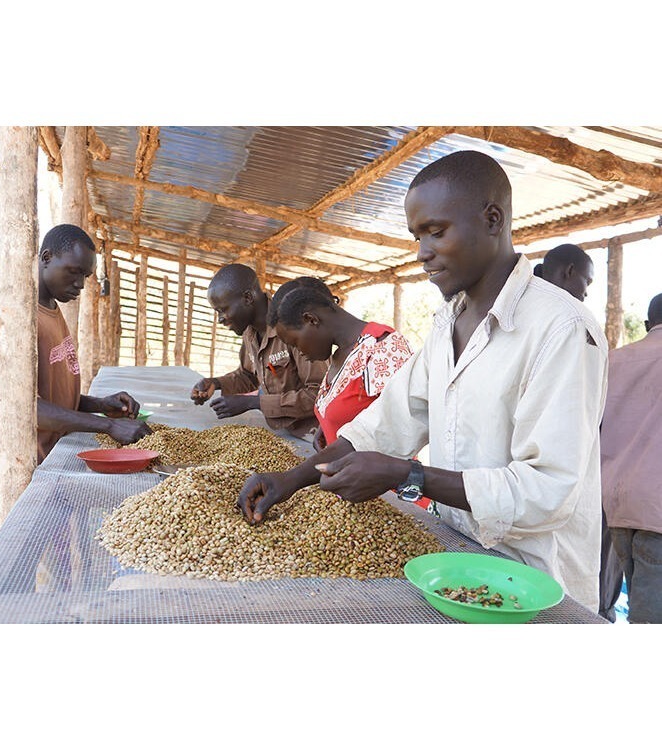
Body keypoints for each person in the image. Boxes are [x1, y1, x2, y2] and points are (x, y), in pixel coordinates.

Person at [237, 150, 608, 612]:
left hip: (536, 589)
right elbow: (384, 426)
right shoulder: (446, 324)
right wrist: (292, 479)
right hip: (457, 561)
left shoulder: (563, 329)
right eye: (417, 236)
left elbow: (547, 492)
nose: (422, 253)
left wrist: (408, 475)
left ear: (493, 220)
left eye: (436, 231)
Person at [0, 224, 152, 520]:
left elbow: (48, 392)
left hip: (54, 465)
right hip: (27, 475)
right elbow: (14, 406)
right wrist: (108, 427)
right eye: (73, 272)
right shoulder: (13, 312)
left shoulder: (51, 307)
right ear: (46, 257)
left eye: (85, 276)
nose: (81, 285)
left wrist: (99, 405)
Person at [534, 242, 622, 622]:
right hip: (552, 499)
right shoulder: (573, 323)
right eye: (585, 284)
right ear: (568, 271)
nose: (584, 293)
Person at [268, 276, 414, 452]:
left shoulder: (382, 348)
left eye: (295, 343)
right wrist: (327, 424)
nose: (298, 352)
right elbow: (352, 409)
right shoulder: (339, 355)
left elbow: (401, 432)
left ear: (311, 319)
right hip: (345, 477)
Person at [190, 263, 328, 440]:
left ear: (247, 298)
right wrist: (215, 383)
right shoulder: (249, 332)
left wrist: (253, 402)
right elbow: (248, 375)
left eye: (222, 310)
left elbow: (320, 396)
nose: (220, 319)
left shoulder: (293, 325)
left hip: (314, 435)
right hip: (283, 430)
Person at [600, 293, 662, 623]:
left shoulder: (613, 360)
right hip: (658, 512)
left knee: (636, 599)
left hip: (616, 504)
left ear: (648, 325)